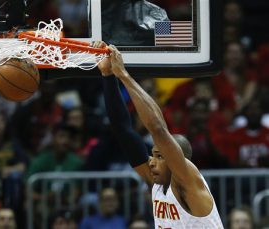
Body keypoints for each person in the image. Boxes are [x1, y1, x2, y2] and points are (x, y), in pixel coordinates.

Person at [94, 41, 224, 228]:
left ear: (179, 159)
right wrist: (107, 76)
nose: (152, 161)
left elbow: (157, 128)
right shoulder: (156, 179)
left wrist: (123, 74)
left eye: (160, 156)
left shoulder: (188, 181)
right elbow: (123, 130)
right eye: (154, 155)